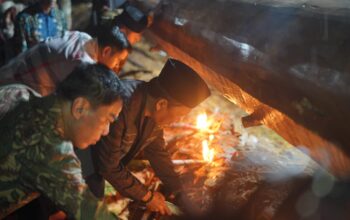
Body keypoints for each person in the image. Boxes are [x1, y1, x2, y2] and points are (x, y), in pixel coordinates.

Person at [81, 58, 211, 215]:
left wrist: (179, 190)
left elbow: (157, 151)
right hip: (76, 165)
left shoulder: (151, 110)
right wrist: (147, 197)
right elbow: (108, 165)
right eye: (180, 115)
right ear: (161, 104)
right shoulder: (121, 105)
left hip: (93, 171)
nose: (179, 121)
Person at [0, 63, 125, 219]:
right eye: (108, 119)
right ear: (80, 108)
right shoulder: (53, 151)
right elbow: (93, 214)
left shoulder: (19, 92)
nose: (106, 131)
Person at [0, 24, 131, 97]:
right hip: (12, 90)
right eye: (118, 60)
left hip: (10, 69)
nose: (117, 65)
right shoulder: (84, 65)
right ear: (106, 51)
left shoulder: (82, 36)